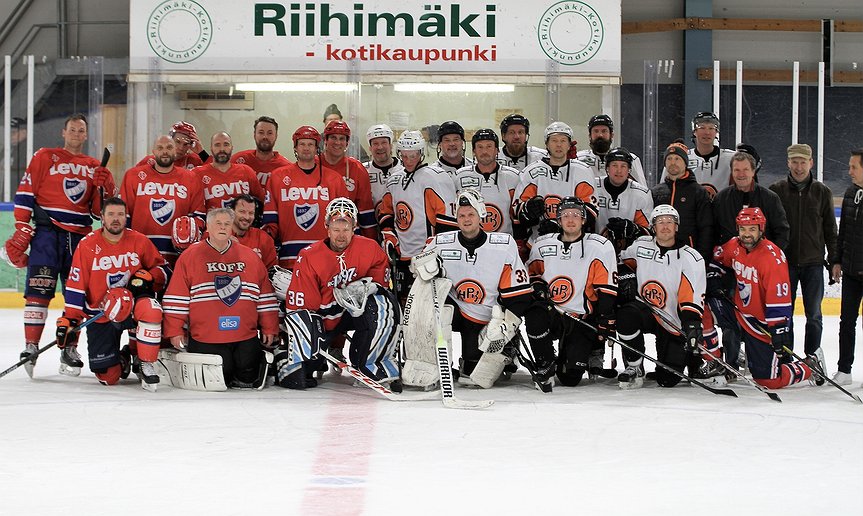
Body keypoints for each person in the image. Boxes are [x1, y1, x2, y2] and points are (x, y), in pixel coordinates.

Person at [4, 113, 115, 378]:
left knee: (76, 295)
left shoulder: (93, 166)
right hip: (46, 234)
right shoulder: (45, 156)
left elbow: (100, 213)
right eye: (73, 130)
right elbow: (26, 191)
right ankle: (30, 345)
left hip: (80, 238)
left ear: (86, 135)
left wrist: (105, 186)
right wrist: (21, 225)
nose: (77, 134)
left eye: (81, 130)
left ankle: (70, 348)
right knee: (38, 292)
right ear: (63, 133)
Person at [409, 189, 536, 389]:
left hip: (486, 317)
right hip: (456, 311)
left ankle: (497, 352)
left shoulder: (503, 245)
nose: (466, 219)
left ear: (481, 215)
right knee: (436, 309)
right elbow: (419, 276)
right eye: (461, 215)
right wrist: (422, 267)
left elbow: (519, 295)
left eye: (471, 214)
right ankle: (433, 365)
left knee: (474, 377)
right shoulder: (440, 243)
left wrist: (505, 326)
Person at [278, 198, 400, 390]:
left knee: (382, 305)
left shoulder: (370, 248)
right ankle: (295, 359)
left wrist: (366, 288)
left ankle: (372, 364)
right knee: (300, 378)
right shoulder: (309, 255)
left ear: (354, 228)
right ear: (327, 228)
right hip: (322, 317)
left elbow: (381, 285)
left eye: (346, 229)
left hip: (355, 313)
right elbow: (302, 305)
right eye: (336, 229)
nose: (341, 235)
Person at [162, 208, 279, 387]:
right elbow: (176, 298)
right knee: (219, 378)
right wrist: (175, 330)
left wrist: (270, 327)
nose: (223, 227)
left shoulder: (250, 257)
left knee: (248, 376)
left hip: (244, 335)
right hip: (207, 336)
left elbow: (265, 296)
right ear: (208, 226)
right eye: (218, 223)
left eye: (227, 224)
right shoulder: (189, 257)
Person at [61, 197, 169, 389]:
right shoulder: (87, 245)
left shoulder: (139, 240)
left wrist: (150, 277)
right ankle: (123, 357)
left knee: (151, 308)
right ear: (102, 217)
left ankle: (145, 362)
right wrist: (70, 321)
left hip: (133, 306)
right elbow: (75, 286)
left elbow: (163, 271)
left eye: (120, 214)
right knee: (109, 378)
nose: (116, 219)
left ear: (126, 217)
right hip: (101, 314)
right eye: (111, 214)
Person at [712, 207, 824, 389]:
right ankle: (719, 361)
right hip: (741, 314)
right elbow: (717, 258)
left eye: (752, 229)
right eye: (742, 229)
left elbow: (779, 301)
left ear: (761, 229)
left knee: (768, 381)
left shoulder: (772, 258)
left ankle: (811, 365)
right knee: (705, 306)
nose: (746, 234)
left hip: (761, 324)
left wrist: (779, 330)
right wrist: (714, 276)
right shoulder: (734, 245)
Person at [526, 197, 618, 387]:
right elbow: (531, 274)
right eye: (565, 215)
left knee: (570, 378)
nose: (570, 219)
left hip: (581, 318)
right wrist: (538, 285)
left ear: (584, 220)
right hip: (553, 312)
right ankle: (545, 362)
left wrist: (605, 318)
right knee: (535, 314)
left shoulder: (599, 247)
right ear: (558, 220)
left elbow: (607, 288)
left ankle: (589, 350)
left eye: (576, 215)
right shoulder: (542, 244)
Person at [617, 204, 706, 389]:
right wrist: (625, 274)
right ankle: (634, 366)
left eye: (669, 222)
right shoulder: (641, 246)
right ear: (653, 227)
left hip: (672, 320)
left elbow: (692, 292)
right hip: (646, 310)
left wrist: (691, 321)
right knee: (626, 314)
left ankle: (691, 361)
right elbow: (622, 261)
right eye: (660, 222)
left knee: (667, 380)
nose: (665, 226)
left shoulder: (691, 257)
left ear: (676, 226)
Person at [769, 143, 837, 362]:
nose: (799, 167)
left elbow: (830, 231)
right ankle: (785, 358)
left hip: (814, 264)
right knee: (784, 315)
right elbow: (769, 229)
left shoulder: (822, 192)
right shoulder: (776, 191)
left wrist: (834, 260)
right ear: (788, 163)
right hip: (783, 265)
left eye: (803, 162)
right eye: (795, 162)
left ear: (811, 163)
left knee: (814, 316)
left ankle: (812, 357)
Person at [377, 130, 457, 301]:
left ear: (421, 153)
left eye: (412, 155)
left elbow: (448, 217)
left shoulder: (435, 177)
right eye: (404, 156)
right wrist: (388, 232)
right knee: (403, 301)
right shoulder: (394, 178)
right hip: (402, 255)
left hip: (428, 255)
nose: (408, 160)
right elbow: (386, 211)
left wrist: (435, 243)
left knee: (427, 304)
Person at [262, 125, 349, 269]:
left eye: (310, 144)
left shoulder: (334, 179)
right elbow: (271, 221)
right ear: (295, 147)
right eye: (302, 144)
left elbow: (345, 220)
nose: (306, 148)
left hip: (326, 255)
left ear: (317, 148)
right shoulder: (278, 177)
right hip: (288, 256)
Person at [118, 135, 206, 266]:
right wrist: (127, 246)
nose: (165, 151)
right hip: (140, 252)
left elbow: (199, 215)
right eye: (160, 148)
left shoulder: (191, 178)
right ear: (153, 151)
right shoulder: (133, 176)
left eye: (169, 147)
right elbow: (124, 214)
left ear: (175, 150)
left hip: (177, 254)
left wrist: (190, 235)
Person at [513, 121, 596, 251]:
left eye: (563, 140)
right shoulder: (531, 172)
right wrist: (528, 210)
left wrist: (562, 227)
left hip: (576, 244)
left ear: (569, 145)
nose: (558, 144)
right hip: (537, 244)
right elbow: (517, 212)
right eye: (554, 140)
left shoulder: (583, 171)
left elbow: (592, 212)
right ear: (546, 144)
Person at [713, 149, 789, 250]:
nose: (741, 174)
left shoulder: (770, 198)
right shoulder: (720, 199)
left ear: (753, 171)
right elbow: (712, 231)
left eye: (745, 170)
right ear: (731, 172)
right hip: (729, 261)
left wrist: (770, 255)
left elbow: (782, 232)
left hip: (761, 261)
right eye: (737, 170)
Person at [650, 140, 714, 261]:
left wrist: (702, 258)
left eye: (677, 159)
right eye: (669, 159)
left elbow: (706, 228)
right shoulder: (656, 192)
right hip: (660, 256)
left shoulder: (698, 192)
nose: (673, 162)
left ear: (685, 163)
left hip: (689, 256)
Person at [831, 149, 863, 386]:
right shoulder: (852, 193)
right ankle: (844, 369)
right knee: (846, 322)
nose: (849, 171)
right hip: (851, 273)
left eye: (854, 167)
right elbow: (843, 234)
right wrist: (837, 260)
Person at [453, 128, 521, 235]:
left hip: (504, 241)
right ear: (474, 151)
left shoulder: (513, 177)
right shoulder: (459, 176)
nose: (484, 151)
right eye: (480, 147)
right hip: (471, 241)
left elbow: (517, 213)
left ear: (497, 150)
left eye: (489, 146)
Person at [319, 120, 377, 239]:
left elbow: (365, 210)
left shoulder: (357, 168)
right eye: (333, 138)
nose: (337, 142)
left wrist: (371, 242)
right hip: (318, 233)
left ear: (347, 143)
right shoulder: (313, 164)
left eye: (342, 139)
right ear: (325, 140)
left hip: (346, 236)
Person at [660, 112, 736, 198]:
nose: (707, 132)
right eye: (702, 127)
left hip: (721, 209)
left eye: (711, 128)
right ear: (694, 131)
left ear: (716, 132)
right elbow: (664, 188)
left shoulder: (731, 158)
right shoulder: (681, 158)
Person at [195, 132, 266, 211]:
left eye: (226, 144)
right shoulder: (198, 174)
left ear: (232, 147)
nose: (222, 149)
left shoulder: (246, 171)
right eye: (217, 145)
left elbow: (262, 202)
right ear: (211, 148)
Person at [593, 146, 653, 237]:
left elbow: (647, 232)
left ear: (629, 170)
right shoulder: (593, 186)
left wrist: (632, 229)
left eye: (623, 166)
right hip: (594, 246)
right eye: (614, 165)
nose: (619, 170)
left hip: (630, 248)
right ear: (607, 168)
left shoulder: (642, 194)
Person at [576, 115, 647, 185]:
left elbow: (642, 190)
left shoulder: (630, 159)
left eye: (604, 131)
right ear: (589, 136)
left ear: (611, 135)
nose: (600, 135)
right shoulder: (578, 158)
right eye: (596, 131)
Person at [231, 116, 291, 188]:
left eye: (269, 133)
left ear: (276, 136)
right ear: (254, 135)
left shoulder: (286, 167)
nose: (265, 137)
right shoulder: (238, 160)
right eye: (261, 132)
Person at [363, 124, 404, 219]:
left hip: (400, 229)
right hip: (370, 228)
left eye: (384, 142)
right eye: (375, 143)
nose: (380, 147)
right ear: (370, 148)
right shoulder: (362, 170)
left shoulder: (404, 169)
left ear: (391, 145)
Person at [229, 194, 277, 268]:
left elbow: (272, 272)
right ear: (232, 212)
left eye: (251, 213)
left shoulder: (263, 238)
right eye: (242, 212)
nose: (247, 217)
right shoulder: (218, 236)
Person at [137, 121, 208, 170]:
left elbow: (215, 173)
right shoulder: (150, 161)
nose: (181, 148)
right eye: (177, 142)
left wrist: (201, 152)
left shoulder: (194, 160)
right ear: (170, 140)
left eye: (185, 144)